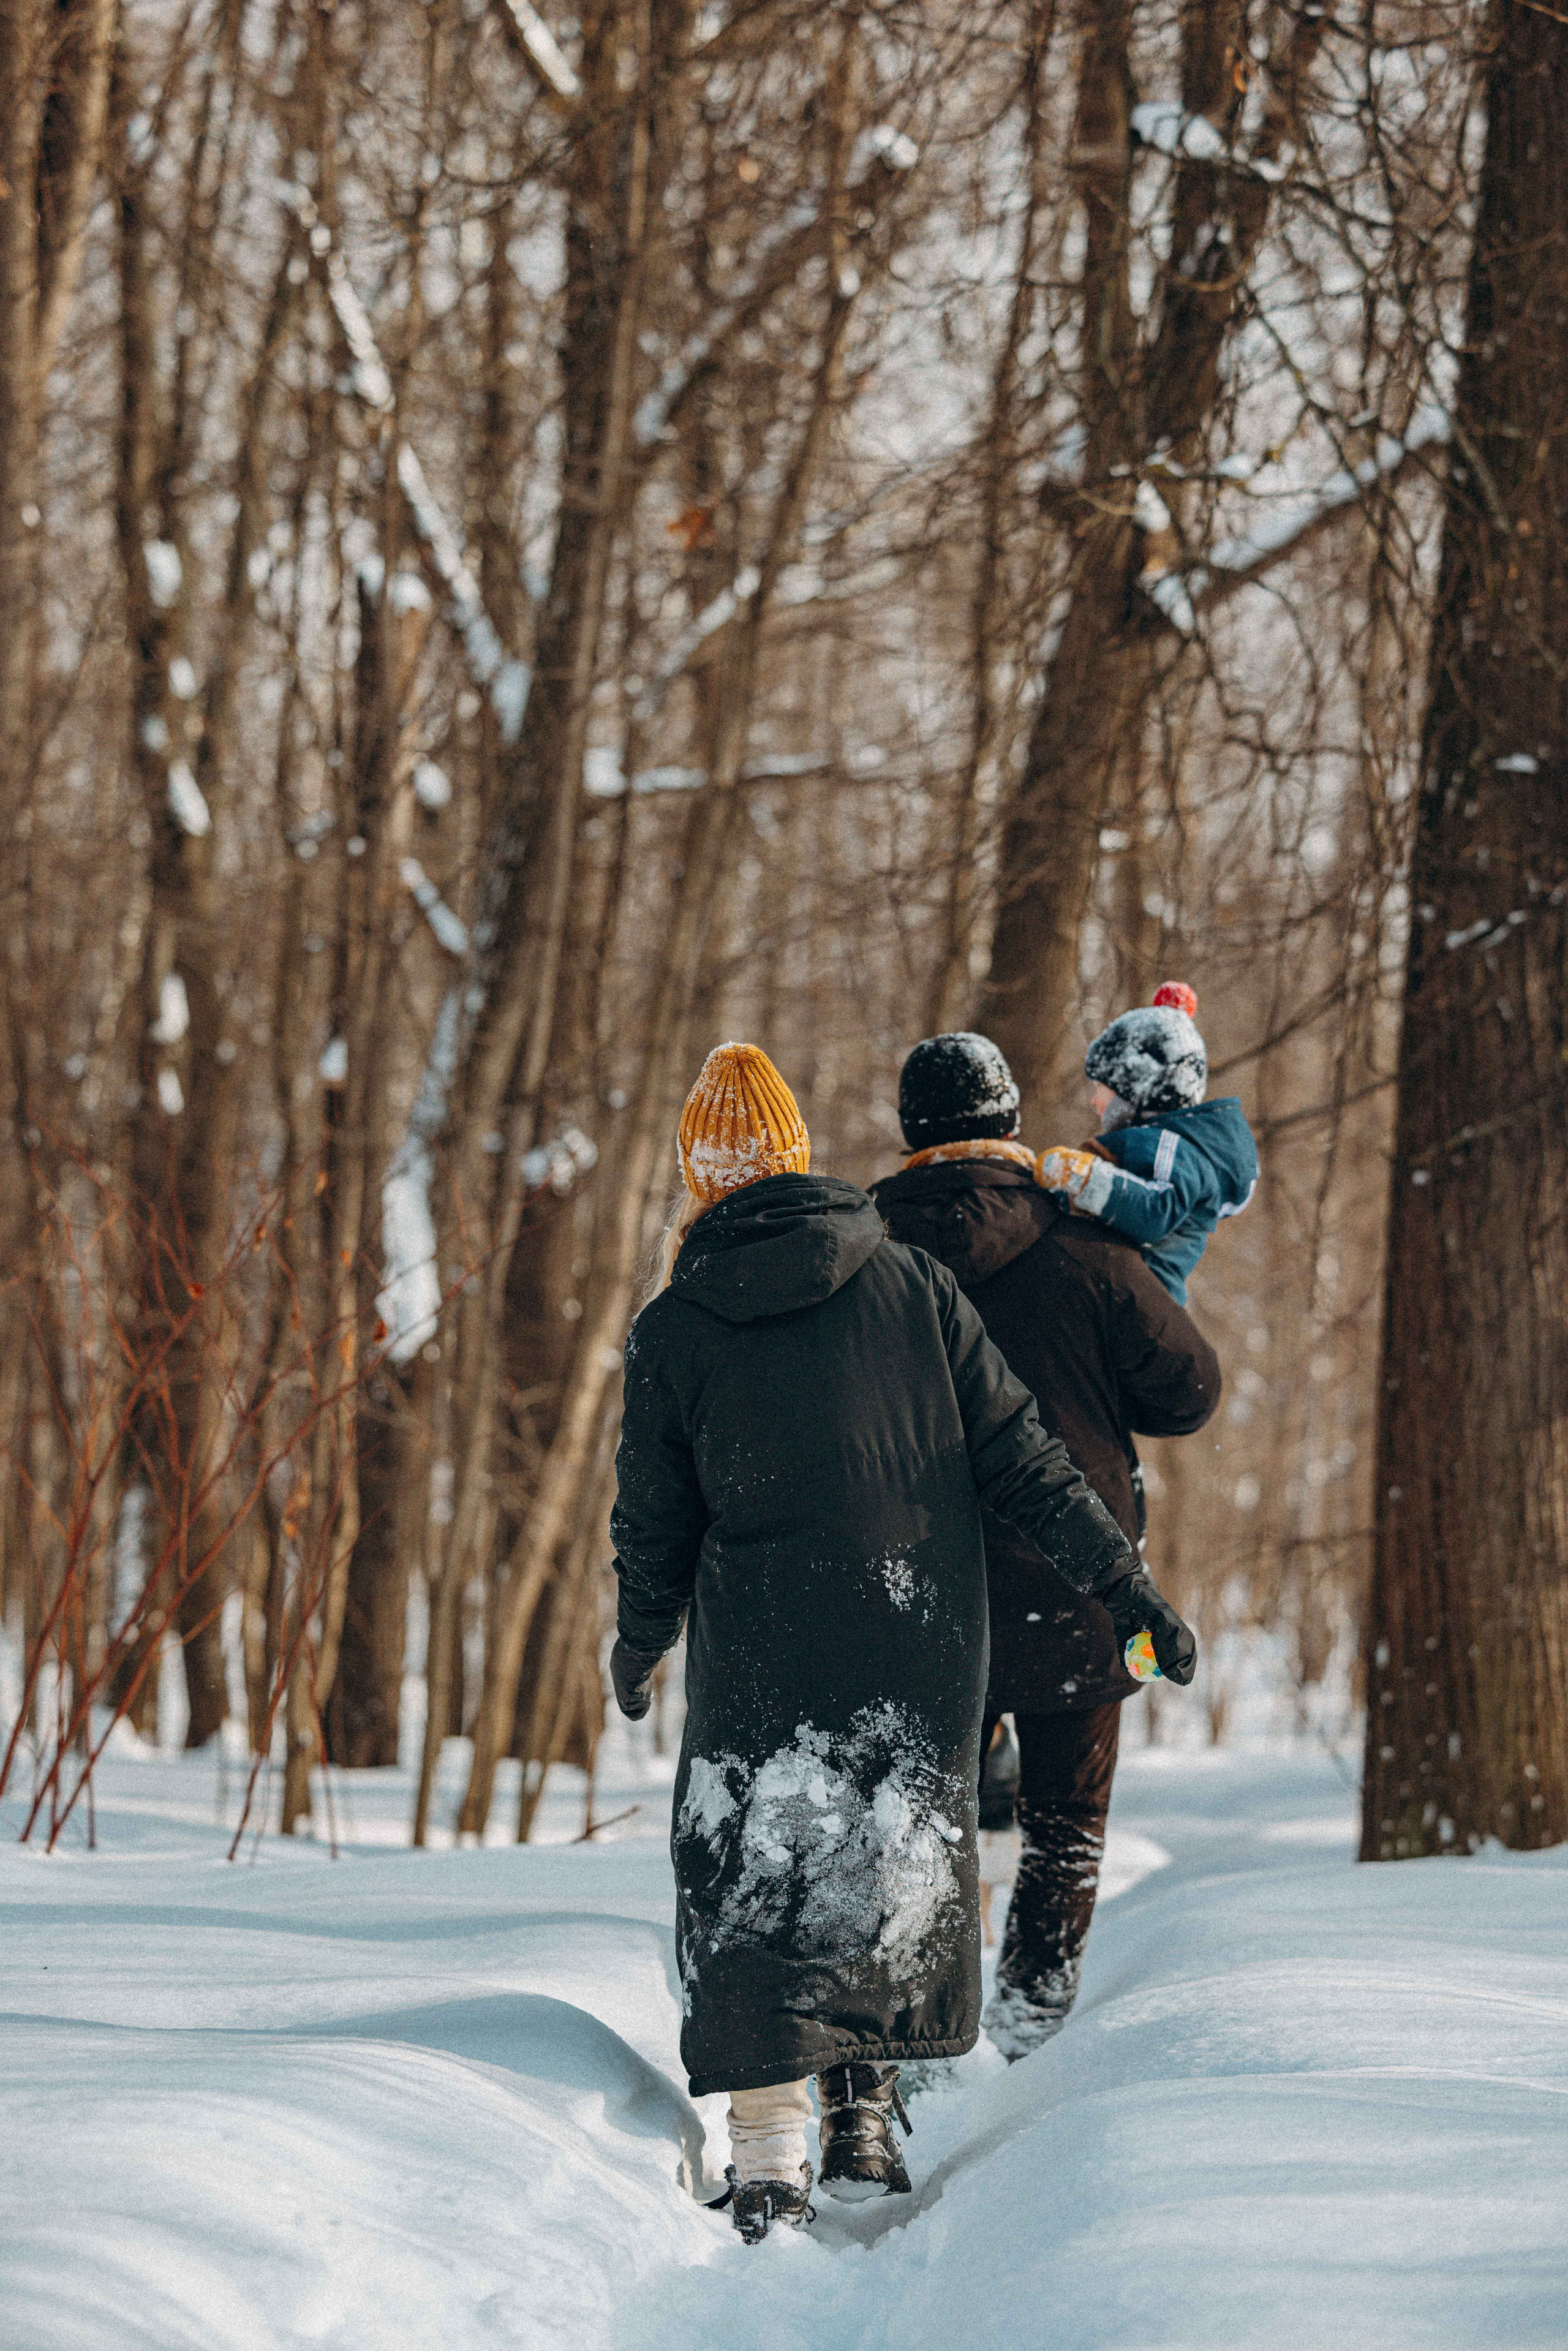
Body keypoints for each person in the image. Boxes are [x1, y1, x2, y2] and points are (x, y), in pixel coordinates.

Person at [609, 1042, 1194, 2243]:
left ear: (703, 1180)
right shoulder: (909, 1287)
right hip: (911, 1623)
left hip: (759, 1637)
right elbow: (1023, 1457)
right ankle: (865, 2112)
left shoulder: (674, 1323)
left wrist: (642, 1635)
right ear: (796, 1158)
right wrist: (1124, 1587)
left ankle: (770, 2152)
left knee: (757, 1866)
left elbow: (652, 1517)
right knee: (876, 1858)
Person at [872, 1029, 1221, 2059]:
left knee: (917, 1818)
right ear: (1012, 1122)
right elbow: (1189, 1389)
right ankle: (1030, 2017)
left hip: (917, 1584)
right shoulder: (1085, 1242)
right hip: (1077, 1577)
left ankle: (919, 2029)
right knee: (1064, 1816)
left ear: (910, 1132)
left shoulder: (860, 1251)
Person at [1034, 983, 1259, 1305]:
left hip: (1144, 1306)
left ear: (1138, 1090)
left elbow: (1155, 1210)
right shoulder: (1155, 1144)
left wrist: (1083, 1177)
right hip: (1123, 1297)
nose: (1094, 1101)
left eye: (1102, 1089)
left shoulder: (1175, 1149)